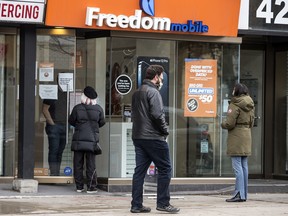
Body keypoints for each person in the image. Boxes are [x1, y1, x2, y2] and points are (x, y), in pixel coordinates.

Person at [130, 65, 180, 213]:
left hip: (138, 137)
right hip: (153, 137)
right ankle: (163, 203)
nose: (162, 79)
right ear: (156, 76)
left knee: (139, 172)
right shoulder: (153, 92)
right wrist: (165, 131)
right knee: (165, 169)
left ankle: (136, 205)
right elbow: (158, 115)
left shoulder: (137, 92)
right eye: (162, 76)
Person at [221, 83, 255, 202]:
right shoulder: (250, 104)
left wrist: (222, 123)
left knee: (237, 167)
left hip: (236, 137)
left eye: (234, 89)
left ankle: (239, 194)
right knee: (244, 166)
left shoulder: (234, 104)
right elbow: (252, 122)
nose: (232, 90)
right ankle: (244, 193)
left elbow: (229, 123)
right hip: (247, 135)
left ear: (237, 91)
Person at [69, 86, 105, 193]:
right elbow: (102, 122)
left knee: (78, 164)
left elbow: (71, 121)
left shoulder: (77, 108)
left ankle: (79, 186)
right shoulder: (98, 109)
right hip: (92, 141)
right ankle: (91, 187)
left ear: (83, 97)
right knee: (91, 164)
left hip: (78, 140)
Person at [42, 81, 67, 176]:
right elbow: (45, 109)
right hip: (55, 126)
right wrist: (52, 123)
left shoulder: (68, 93)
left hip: (65, 125)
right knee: (54, 150)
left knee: (60, 150)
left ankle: (57, 173)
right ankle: (54, 174)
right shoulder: (52, 92)